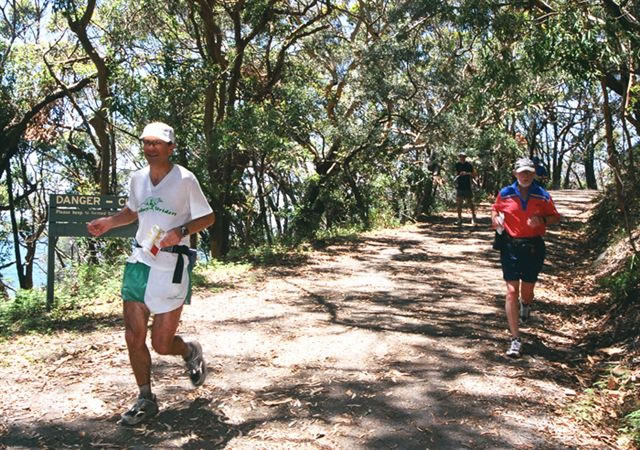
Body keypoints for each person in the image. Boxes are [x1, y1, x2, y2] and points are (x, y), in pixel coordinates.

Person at [87, 122, 215, 425]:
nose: (151, 148)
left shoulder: (185, 179)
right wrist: (109, 222)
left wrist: (180, 231)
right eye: (146, 143)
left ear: (171, 147)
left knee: (161, 344)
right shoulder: (137, 179)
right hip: (139, 260)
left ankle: (188, 351)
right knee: (133, 335)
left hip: (171, 266)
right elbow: (133, 212)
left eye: (158, 143)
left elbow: (207, 217)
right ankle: (145, 397)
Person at [491, 157, 561, 358]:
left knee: (527, 290)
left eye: (529, 172)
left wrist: (542, 219)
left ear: (534, 174)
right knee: (511, 291)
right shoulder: (505, 193)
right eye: (522, 172)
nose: (525, 176)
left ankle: (527, 304)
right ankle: (515, 340)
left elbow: (556, 217)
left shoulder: (542, 195)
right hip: (510, 246)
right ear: (515, 174)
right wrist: (495, 220)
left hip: (533, 247)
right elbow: (495, 210)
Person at [454, 151, 477, 226]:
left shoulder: (469, 165)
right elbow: (455, 174)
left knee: (469, 202)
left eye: (463, 156)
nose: (461, 158)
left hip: (467, 186)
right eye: (460, 156)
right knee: (459, 203)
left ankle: (473, 217)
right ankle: (459, 219)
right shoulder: (457, 165)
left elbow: (474, 174)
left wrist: (466, 173)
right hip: (459, 186)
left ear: (465, 157)